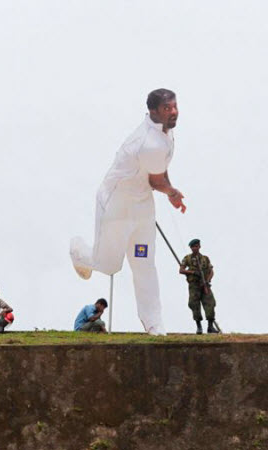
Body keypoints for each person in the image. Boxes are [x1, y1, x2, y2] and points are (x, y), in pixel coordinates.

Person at [70, 89, 185, 336]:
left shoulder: (165, 130)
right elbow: (157, 180)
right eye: (168, 108)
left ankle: (154, 323)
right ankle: (79, 252)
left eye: (175, 106)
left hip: (142, 205)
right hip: (116, 206)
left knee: (144, 264)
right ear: (153, 111)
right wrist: (172, 192)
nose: (174, 112)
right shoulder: (149, 143)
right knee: (109, 265)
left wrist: (171, 192)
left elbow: (160, 170)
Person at [179, 239, 218, 334]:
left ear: (199, 247)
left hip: (205, 285)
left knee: (210, 303)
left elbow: (211, 271)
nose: (195, 248)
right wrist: (192, 272)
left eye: (196, 246)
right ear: (191, 248)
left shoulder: (205, 258)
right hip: (194, 286)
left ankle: (210, 326)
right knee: (194, 304)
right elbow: (181, 270)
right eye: (193, 247)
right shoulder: (187, 258)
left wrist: (207, 281)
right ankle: (199, 327)